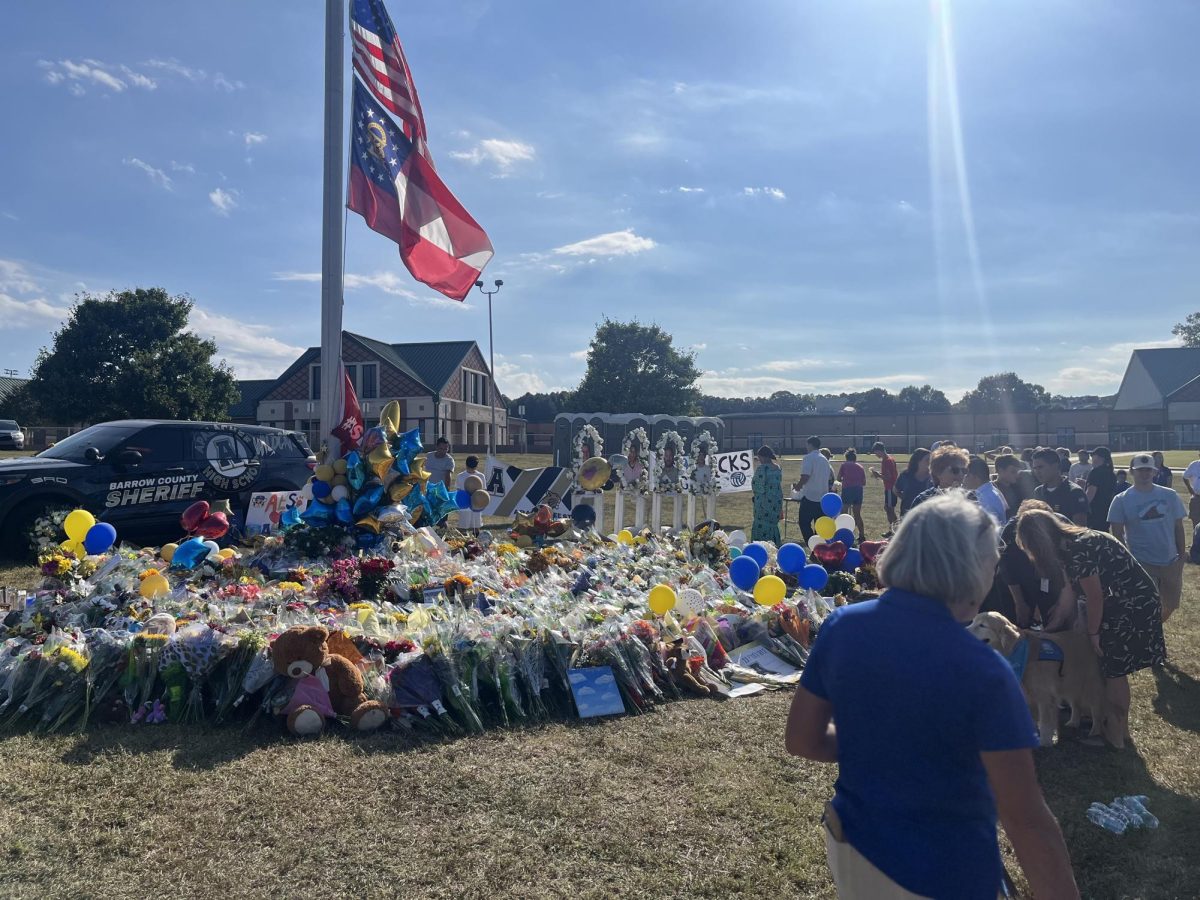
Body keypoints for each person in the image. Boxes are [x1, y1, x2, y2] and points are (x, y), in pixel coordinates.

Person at [786, 494, 1079, 900]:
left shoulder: (842, 626)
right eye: (992, 564)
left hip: (853, 846)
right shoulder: (985, 671)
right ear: (972, 570)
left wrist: (880, 740)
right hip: (944, 871)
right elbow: (1025, 819)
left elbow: (802, 739)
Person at [1017, 509, 1166, 750]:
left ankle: (1117, 735)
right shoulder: (1068, 548)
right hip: (1117, 604)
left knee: (1113, 670)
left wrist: (1094, 634)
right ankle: (1117, 731)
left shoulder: (1080, 548)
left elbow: (1095, 597)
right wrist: (1049, 631)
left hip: (1132, 605)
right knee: (1109, 666)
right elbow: (1068, 595)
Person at [1108, 453, 1187, 623]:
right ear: (1132, 471)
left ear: (1155, 472)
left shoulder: (1170, 495)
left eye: (1148, 470)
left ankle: (1155, 627)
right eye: (1140, 470)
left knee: (1171, 603)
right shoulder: (1121, 500)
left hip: (1170, 560)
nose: (1144, 474)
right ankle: (1148, 630)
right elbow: (1117, 533)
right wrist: (1127, 561)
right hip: (1141, 561)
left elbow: (1178, 527)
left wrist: (1181, 556)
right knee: (1144, 603)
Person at [999, 500, 1073, 630]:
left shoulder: (1061, 525)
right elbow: (1007, 570)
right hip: (1021, 581)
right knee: (1019, 624)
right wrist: (1020, 602)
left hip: (1055, 580)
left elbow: (1071, 570)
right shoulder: (1011, 531)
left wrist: (1062, 603)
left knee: (1056, 618)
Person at [1030, 447, 1089, 526]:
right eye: (1035, 468)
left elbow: (1080, 529)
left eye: (1040, 467)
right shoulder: (1038, 492)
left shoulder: (1074, 492)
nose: (1037, 472)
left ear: (1055, 466)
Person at [908, 445, 973, 510]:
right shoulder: (923, 500)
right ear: (938, 472)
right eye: (955, 470)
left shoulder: (972, 498)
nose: (961, 474)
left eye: (964, 470)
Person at [794, 436, 832, 541]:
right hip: (823, 498)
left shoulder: (809, 457)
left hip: (810, 497)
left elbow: (805, 476)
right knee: (819, 526)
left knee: (803, 523)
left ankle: (813, 544)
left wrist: (798, 486)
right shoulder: (824, 459)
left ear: (810, 444)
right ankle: (819, 548)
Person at [751, 445, 783, 546]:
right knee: (773, 525)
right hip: (776, 501)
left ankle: (760, 547)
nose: (759, 460)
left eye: (759, 457)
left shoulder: (762, 468)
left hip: (763, 503)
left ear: (764, 457)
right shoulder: (777, 468)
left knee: (761, 524)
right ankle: (774, 545)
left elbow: (758, 487)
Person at [965, 455, 1007, 524]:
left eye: (967, 475)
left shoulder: (984, 499)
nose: (963, 479)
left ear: (976, 477)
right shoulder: (992, 491)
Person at [1085, 446, 1117, 532]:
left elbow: (1091, 493)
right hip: (1106, 510)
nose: (1092, 459)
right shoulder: (1111, 474)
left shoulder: (1095, 472)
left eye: (1094, 456)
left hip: (1094, 511)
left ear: (1100, 458)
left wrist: (1082, 507)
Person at [869, 441, 899, 534]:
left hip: (890, 488)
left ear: (879, 451)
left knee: (890, 509)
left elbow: (889, 477)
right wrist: (878, 474)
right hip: (889, 488)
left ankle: (895, 530)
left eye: (876, 452)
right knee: (887, 508)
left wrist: (878, 475)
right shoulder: (889, 459)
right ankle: (893, 529)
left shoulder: (887, 461)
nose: (875, 454)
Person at [838, 449, 867, 542]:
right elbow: (864, 482)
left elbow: (838, 478)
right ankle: (862, 535)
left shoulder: (844, 465)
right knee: (857, 514)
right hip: (858, 490)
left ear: (846, 458)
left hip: (847, 490)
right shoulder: (860, 467)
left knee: (844, 513)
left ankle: (843, 535)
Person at [893, 448, 931, 517]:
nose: (930, 462)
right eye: (927, 460)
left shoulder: (933, 477)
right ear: (918, 461)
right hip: (907, 514)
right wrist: (906, 498)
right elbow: (895, 490)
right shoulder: (905, 475)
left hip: (926, 515)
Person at [453, 456, 483, 534]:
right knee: (463, 527)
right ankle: (464, 543)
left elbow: (483, 491)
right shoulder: (461, 476)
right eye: (470, 467)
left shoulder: (481, 476)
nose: (471, 469)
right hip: (464, 505)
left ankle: (476, 544)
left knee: (476, 527)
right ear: (466, 465)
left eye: (473, 467)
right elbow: (458, 490)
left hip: (476, 504)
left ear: (477, 466)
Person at [1183, 448, 1200, 529]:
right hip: (1197, 498)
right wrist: (1190, 489)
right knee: (1196, 524)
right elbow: (1185, 477)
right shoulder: (1194, 465)